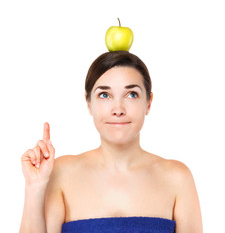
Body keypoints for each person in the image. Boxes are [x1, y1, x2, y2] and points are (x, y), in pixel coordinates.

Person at [20, 51, 203, 233]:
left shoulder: (177, 178)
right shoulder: (60, 172)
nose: (118, 109)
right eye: (104, 95)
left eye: (131, 94)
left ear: (148, 102)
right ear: (88, 102)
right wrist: (34, 187)